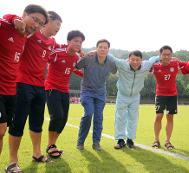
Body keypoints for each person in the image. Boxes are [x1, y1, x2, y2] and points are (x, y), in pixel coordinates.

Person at [6, 11, 62, 171]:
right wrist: (15, 18)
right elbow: (13, 20)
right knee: (18, 123)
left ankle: (37, 153)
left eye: (60, 25)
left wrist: (79, 51)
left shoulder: (52, 42)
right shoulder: (31, 33)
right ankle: (12, 161)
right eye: (57, 23)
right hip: (22, 84)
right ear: (48, 21)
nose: (58, 28)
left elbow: (63, 49)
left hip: (40, 87)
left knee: (37, 123)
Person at [0, 4, 48, 172]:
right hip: (12, 87)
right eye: (34, 19)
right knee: (4, 128)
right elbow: (5, 20)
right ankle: (12, 162)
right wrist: (12, 18)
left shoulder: (26, 38)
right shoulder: (6, 26)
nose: (36, 25)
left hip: (11, 90)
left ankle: (12, 163)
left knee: (3, 130)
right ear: (24, 14)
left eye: (40, 23)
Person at [45, 30, 84, 158]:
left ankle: (52, 144)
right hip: (51, 88)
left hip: (64, 90)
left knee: (64, 119)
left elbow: (75, 69)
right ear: (68, 41)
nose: (78, 44)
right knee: (57, 116)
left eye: (80, 42)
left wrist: (89, 75)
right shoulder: (58, 53)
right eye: (75, 41)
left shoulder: (76, 58)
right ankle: (50, 145)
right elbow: (44, 58)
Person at [112, 51, 159, 149]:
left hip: (135, 96)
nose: (135, 62)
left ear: (141, 60)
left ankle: (130, 139)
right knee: (120, 117)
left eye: (137, 60)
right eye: (132, 59)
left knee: (133, 118)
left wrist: (168, 58)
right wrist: (95, 51)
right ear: (128, 59)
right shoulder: (122, 64)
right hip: (122, 95)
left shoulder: (146, 65)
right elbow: (111, 57)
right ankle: (120, 140)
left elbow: (154, 59)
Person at [76, 39, 117, 151]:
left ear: (108, 49)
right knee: (88, 114)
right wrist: (83, 55)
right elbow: (77, 65)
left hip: (100, 93)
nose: (103, 49)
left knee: (99, 117)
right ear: (96, 48)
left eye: (105, 47)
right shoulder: (88, 58)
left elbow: (116, 70)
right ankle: (80, 142)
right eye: (100, 47)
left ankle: (96, 143)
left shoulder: (111, 62)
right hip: (87, 91)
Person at [151, 45, 184, 150]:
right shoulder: (155, 66)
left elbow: (186, 66)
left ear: (171, 55)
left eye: (168, 55)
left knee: (170, 117)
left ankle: (167, 141)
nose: (166, 57)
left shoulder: (175, 64)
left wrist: (178, 60)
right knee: (158, 116)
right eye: (164, 54)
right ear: (160, 55)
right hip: (160, 95)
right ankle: (156, 140)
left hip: (172, 95)